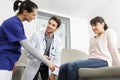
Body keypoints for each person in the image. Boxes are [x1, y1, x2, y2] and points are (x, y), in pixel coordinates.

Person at [0, 0, 57, 80]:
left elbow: (10, 45)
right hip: (2, 62)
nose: (34, 18)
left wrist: (12, 62)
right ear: (26, 12)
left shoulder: (18, 24)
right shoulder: (13, 23)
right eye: (33, 15)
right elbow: (29, 48)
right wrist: (48, 62)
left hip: (7, 62)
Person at [22, 16, 62, 80]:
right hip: (35, 64)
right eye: (49, 23)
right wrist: (41, 57)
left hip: (47, 67)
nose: (50, 26)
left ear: (56, 28)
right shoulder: (36, 35)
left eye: (53, 25)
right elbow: (28, 52)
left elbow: (57, 59)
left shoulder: (58, 41)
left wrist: (53, 74)